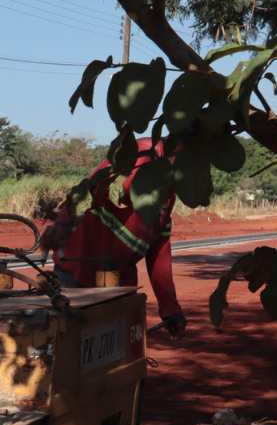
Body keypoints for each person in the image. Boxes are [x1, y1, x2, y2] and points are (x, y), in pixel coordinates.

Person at [44, 138, 187, 337]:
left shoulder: (168, 197)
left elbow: (159, 254)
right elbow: (97, 187)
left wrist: (170, 309)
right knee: (70, 344)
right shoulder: (142, 152)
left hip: (117, 282)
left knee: (115, 353)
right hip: (77, 269)